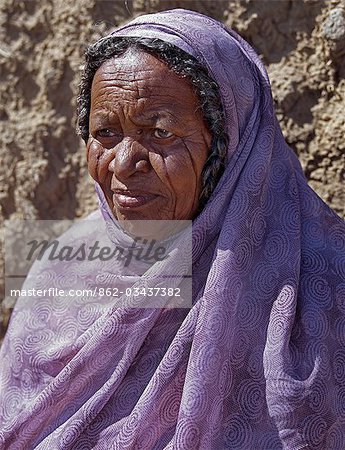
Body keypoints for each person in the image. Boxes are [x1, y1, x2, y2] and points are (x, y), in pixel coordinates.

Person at [1, 8, 344, 449]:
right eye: (105, 132)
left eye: (160, 132)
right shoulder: (61, 268)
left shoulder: (323, 288)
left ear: (229, 142)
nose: (124, 164)